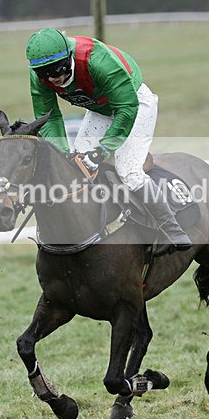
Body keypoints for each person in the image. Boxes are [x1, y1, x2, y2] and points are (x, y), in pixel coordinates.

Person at [25, 27, 192, 254]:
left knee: (129, 172)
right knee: (76, 166)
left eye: (56, 70)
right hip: (100, 109)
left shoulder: (96, 60)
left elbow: (126, 108)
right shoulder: (40, 75)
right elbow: (49, 118)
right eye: (44, 74)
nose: (52, 78)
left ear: (68, 57)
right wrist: (63, 152)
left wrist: (102, 151)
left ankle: (171, 229)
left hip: (134, 102)